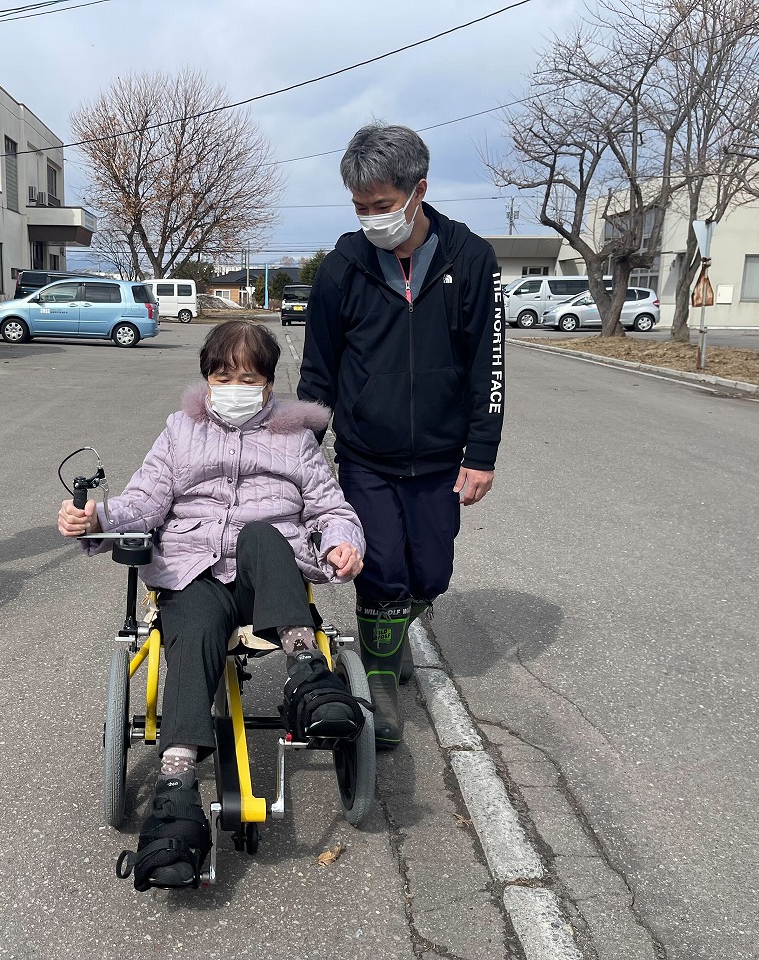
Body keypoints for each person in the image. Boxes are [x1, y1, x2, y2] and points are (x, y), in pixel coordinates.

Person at [58, 320, 367, 891]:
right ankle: (176, 794)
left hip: (264, 574)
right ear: (206, 378)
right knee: (194, 628)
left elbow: (331, 508)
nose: (233, 385)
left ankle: (307, 673)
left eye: (247, 376)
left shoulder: (296, 440)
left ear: (270, 385)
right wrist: (96, 518)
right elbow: (144, 501)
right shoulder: (180, 432)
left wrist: (345, 541)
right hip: (192, 568)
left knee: (262, 535)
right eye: (222, 374)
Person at [298, 122, 505, 752]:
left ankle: (391, 632)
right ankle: (381, 676)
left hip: (442, 457)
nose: (371, 220)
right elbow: (319, 370)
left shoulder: (471, 260)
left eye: (383, 207)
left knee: (430, 574)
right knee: (381, 568)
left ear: (419, 191)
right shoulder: (343, 269)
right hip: (366, 455)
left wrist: (481, 452)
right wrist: (301, 451)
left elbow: (487, 366)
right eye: (360, 208)